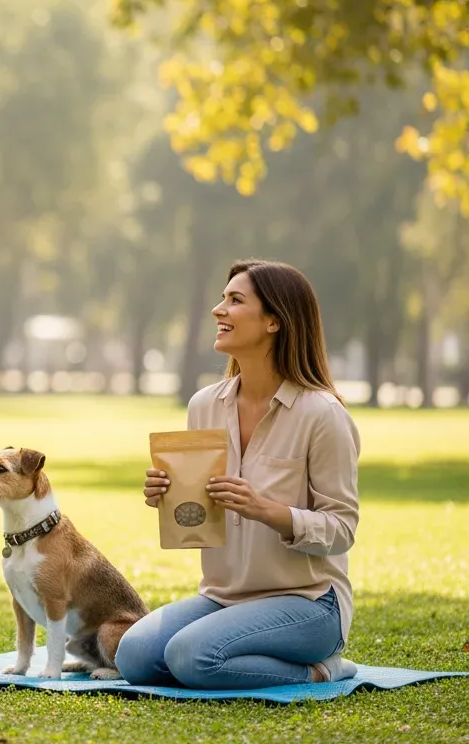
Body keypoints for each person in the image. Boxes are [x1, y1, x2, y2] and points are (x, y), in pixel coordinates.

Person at [115, 259, 361, 689]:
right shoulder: (204, 405)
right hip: (223, 597)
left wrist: (268, 511)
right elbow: (201, 516)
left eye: (235, 300)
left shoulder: (322, 415)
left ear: (274, 322)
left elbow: (342, 529)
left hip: (310, 602)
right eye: (222, 298)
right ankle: (234, 647)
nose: (217, 310)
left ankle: (323, 669)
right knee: (133, 657)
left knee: (191, 657)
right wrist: (169, 495)